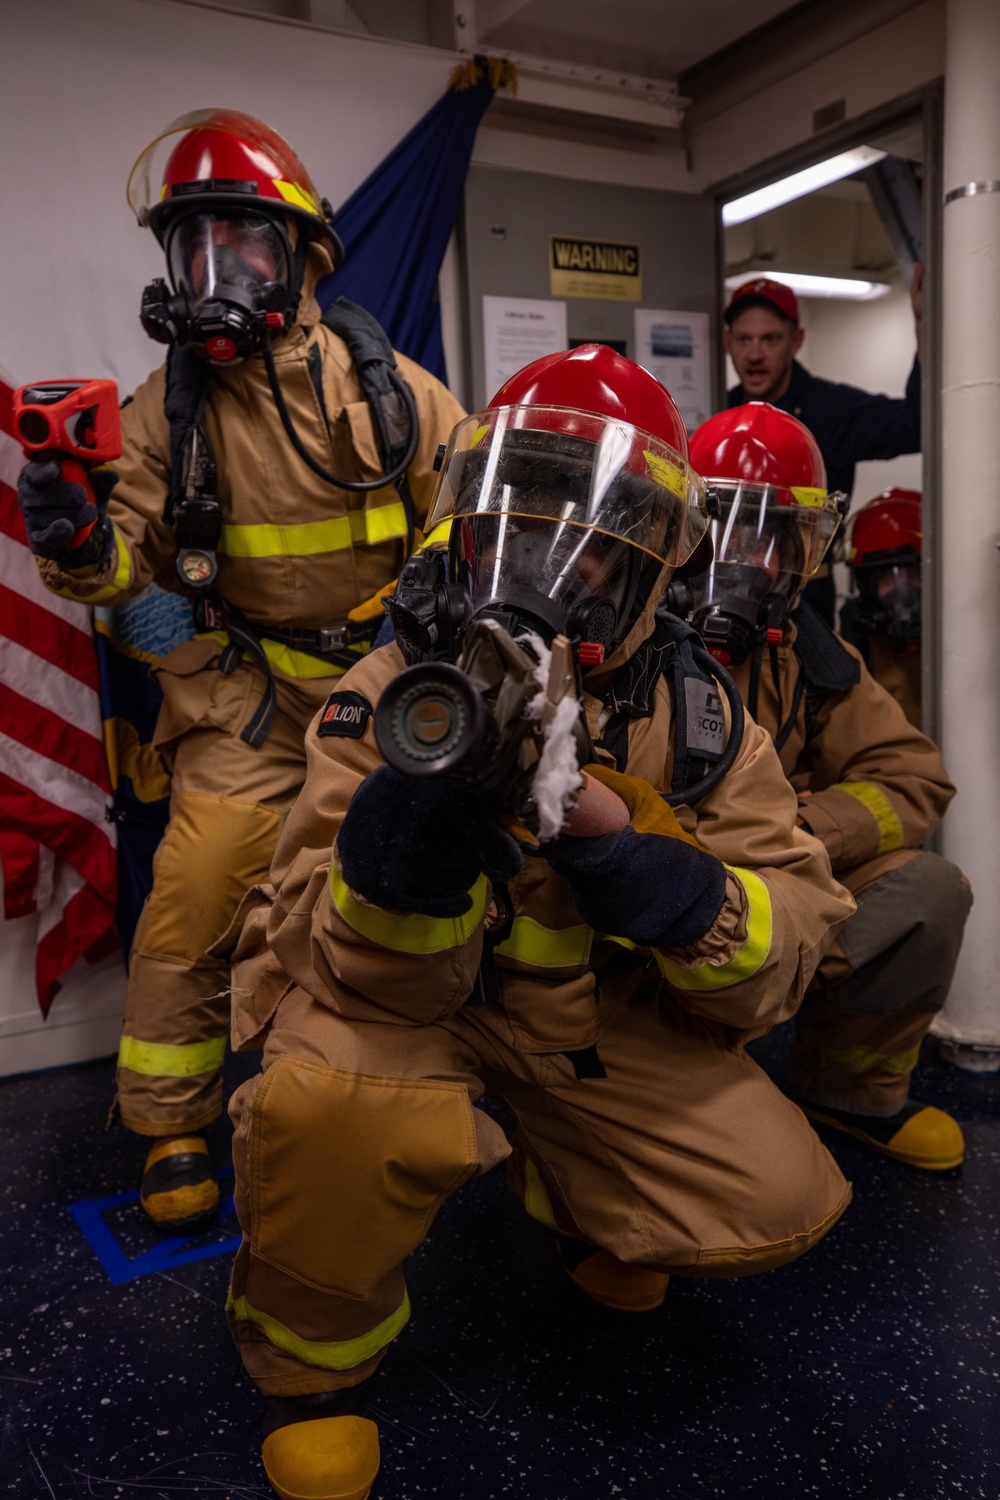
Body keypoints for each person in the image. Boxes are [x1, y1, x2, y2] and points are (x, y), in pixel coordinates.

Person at [221, 345, 856, 1500]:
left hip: (584, 1031)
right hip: (417, 1022)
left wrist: (649, 869)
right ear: (466, 529)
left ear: (651, 572)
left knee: (776, 1196)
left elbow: (787, 951)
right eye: (514, 527)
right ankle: (311, 1368)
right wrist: (397, 861)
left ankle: (574, 1186)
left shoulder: (702, 724)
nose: (540, 572)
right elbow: (338, 963)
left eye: (590, 546)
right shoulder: (386, 693)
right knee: (329, 1106)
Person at [15, 109, 465, 1234]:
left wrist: (424, 634)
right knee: (194, 891)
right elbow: (131, 584)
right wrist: (77, 541)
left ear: (302, 256)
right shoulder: (163, 419)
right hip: (250, 706)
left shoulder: (393, 390)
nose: (215, 272)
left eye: (242, 244)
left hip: (384, 695)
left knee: (443, 888)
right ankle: (171, 1123)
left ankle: (465, 1087)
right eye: (193, 247)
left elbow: (471, 525)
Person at [683, 402, 971, 1170]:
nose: (753, 559)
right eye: (731, 528)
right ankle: (612, 1140)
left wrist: (807, 832)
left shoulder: (813, 659)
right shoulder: (629, 642)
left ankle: (847, 1094)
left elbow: (912, 778)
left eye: (774, 536)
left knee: (928, 891)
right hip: (660, 912)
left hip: (775, 890)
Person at [723, 274, 923, 622]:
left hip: (806, 604)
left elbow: (915, 425)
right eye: (744, 339)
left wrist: (925, 326)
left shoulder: (834, 410)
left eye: (770, 339)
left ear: (795, 341)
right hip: (724, 591)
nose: (755, 354)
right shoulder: (718, 413)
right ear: (727, 342)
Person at [840, 488, 923, 728]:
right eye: (887, 578)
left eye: (914, 574)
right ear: (864, 587)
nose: (902, 591)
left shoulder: (969, 651)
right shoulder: (853, 655)